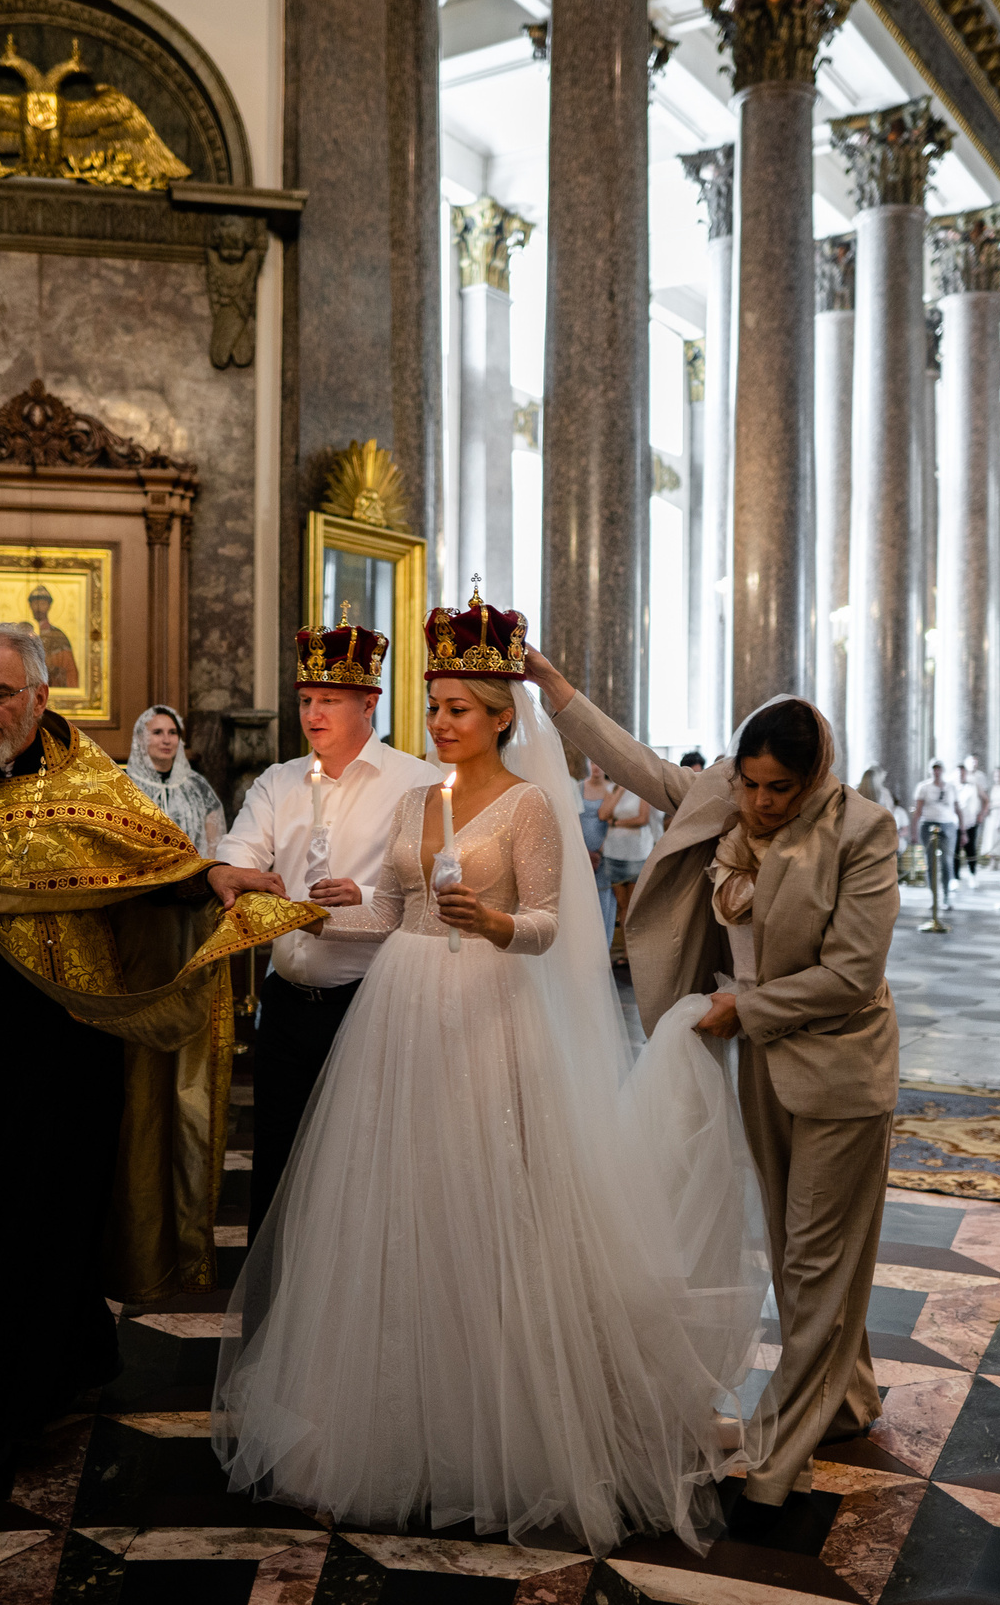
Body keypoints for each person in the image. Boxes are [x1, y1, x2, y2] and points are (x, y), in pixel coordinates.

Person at [217, 610, 773, 1553]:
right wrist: (311, 916)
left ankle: (511, 1422)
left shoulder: (527, 807)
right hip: (400, 1011)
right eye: (434, 707)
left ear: (501, 716)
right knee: (398, 1204)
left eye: (460, 709)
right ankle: (397, 1418)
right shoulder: (414, 804)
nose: (441, 723)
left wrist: (496, 925)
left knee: (493, 1196)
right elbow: (391, 916)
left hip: (490, 1010)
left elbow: (556, 923)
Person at [0, 622, 317, 1505]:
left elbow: (159, 869)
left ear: (39, 697)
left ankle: (57, 1373)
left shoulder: (95, 786)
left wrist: (214, 879)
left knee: (56, 1227)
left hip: (72, 1056)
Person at [529, 647, 900, 1519]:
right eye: (751, 785)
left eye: (780, 790)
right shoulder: (722, 797)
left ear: (815, 780)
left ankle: (776, 1451)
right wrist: (555, 693)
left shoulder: (862, 832)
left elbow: (851, 975)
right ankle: (848, 1399)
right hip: (764, 1067)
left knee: (811, 1259)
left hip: (842, 1071)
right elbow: (641, 766)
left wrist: (747, 1008)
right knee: (799, 1246)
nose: (761, 803)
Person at [211, 616, 445, 1237]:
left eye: (330, 701)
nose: (313, 715)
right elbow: (239, 854)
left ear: (369, 702)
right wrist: (230, 876)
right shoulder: (279, 780)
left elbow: (430, 899)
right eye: (307, 701)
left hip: (372, 1004)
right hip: (286, 1004)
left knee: (365, 1164)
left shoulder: (417, 783)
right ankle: (272, 1310)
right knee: (280, 1162)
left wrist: (359, 896)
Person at [124, 704, 227, 857]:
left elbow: (215, 844)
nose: (167, 740)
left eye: (172, 732)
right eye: (157, 732)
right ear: (140, 738)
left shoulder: (197, 786)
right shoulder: (125, 785)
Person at [598, 772, 661, 955]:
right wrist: (619, 790)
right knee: (622, 905)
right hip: (614, 852)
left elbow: (642, 819)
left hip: (636, 852)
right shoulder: (612, 789)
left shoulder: (642, 791)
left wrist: (616, 822)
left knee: (633, 906)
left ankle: (633, 951)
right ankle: (627, 951)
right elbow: (603, 814)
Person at [579, 758, 619, 943]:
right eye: (593, 763)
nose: (596, 767)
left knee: (604, 900)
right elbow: (572, 820)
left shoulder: (612, 789)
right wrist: (582, 851)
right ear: (588, 764)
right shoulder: (578, 788)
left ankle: (604, 947)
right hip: (580, 853)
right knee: (582, 899)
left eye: (600, 763)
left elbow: (614, 822)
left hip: (604, 853)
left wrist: (600, 851)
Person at [912, 760, 961, 897]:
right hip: (928, 824)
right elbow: (918, 811)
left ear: (943, 770)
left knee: (946, 861)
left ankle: (946, 894)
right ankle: (934, 895)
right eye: (934, 769)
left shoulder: (951, 787)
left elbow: (957, 808)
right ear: (931, 771)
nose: (936, 772)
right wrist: (914, 832)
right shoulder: (923, 787)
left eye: (939, 769)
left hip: (948, 824)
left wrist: (962, 831)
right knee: (931, 862)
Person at [953, 764, 987, 881]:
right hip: (955, 823)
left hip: (970, 822)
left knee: (970, 848)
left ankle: (972, 873)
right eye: (958, 773)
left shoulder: (973, 786)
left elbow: (985, 799)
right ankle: (955, 877)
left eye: (962, 773)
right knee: (955, 850)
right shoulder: (951, 787)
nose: (960, 776)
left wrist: (981, 814)